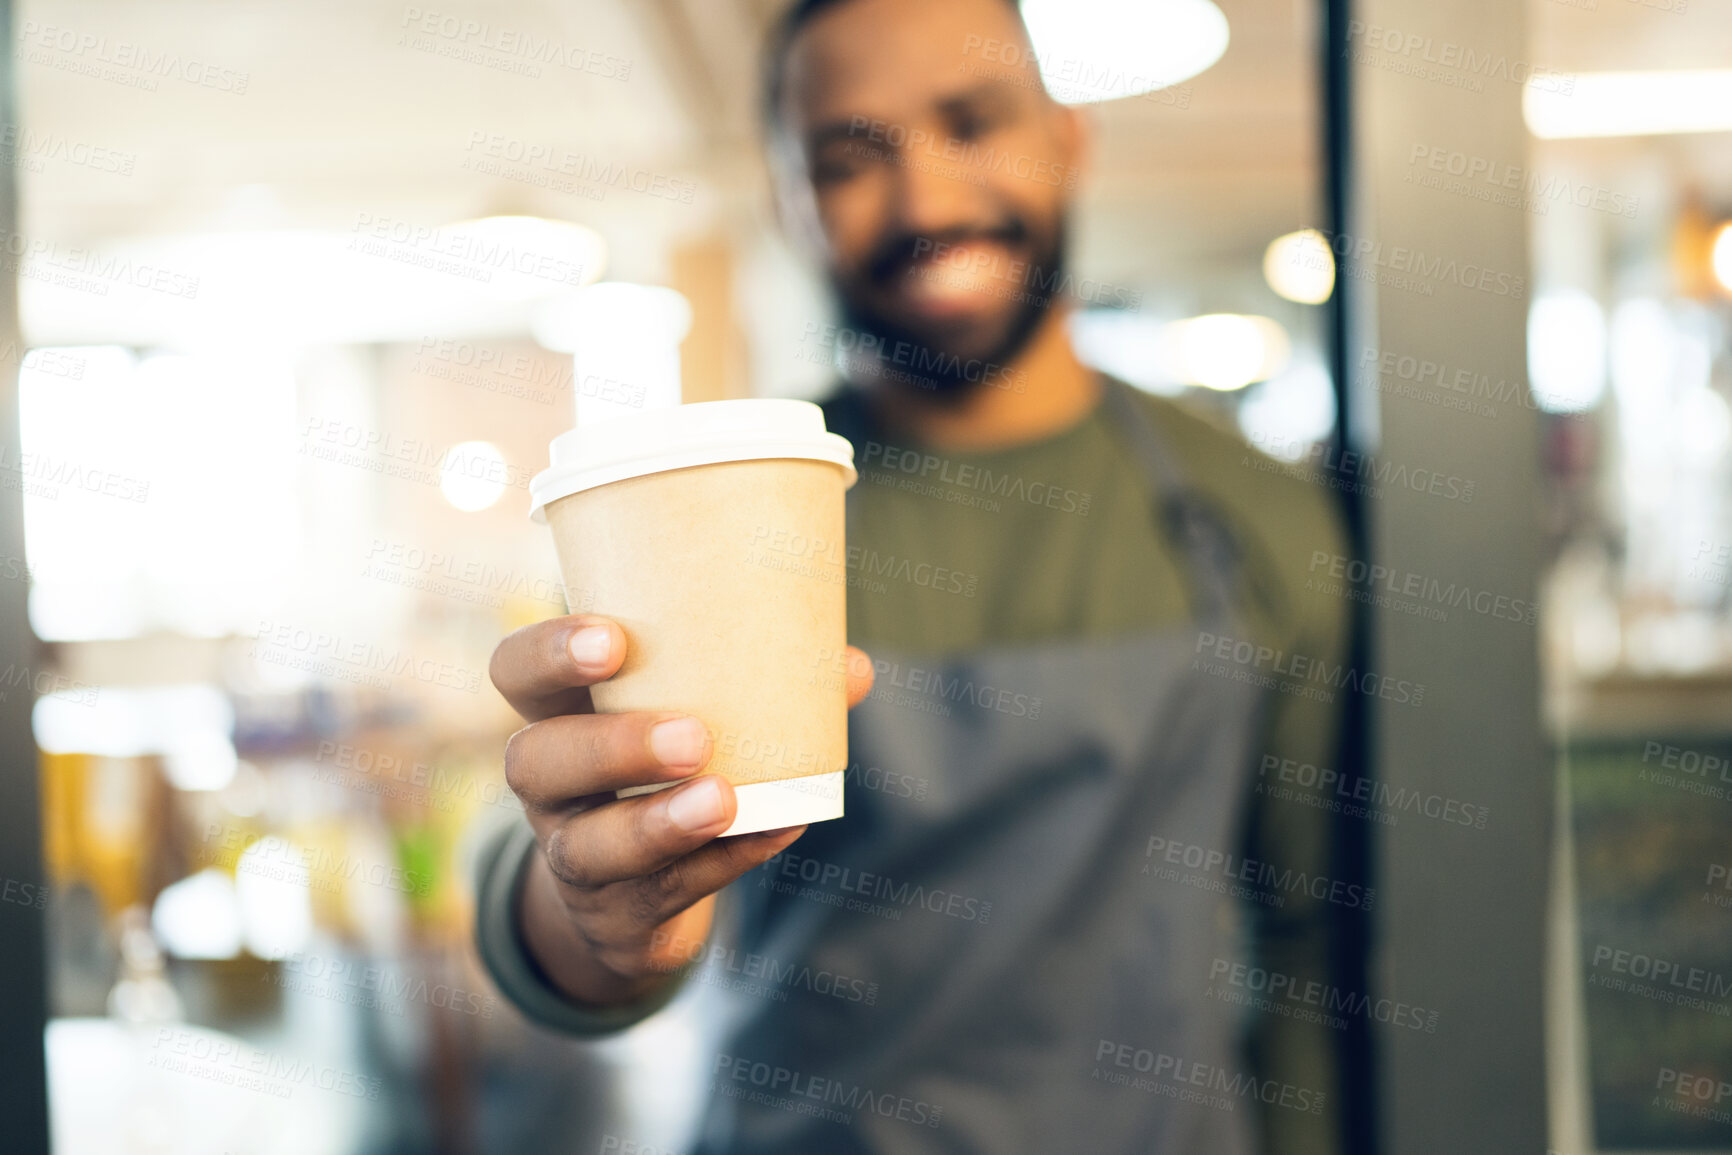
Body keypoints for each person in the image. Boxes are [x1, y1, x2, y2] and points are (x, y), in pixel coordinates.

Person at [475, 0, 1355, 1151]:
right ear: (789, 202)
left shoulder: (1258, 525)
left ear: (1066, 136)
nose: (928, 202)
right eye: (848, 160)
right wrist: (592, 913)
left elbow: (1312, 951)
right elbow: (566, 882)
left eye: (973, 122)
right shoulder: (714, 518)